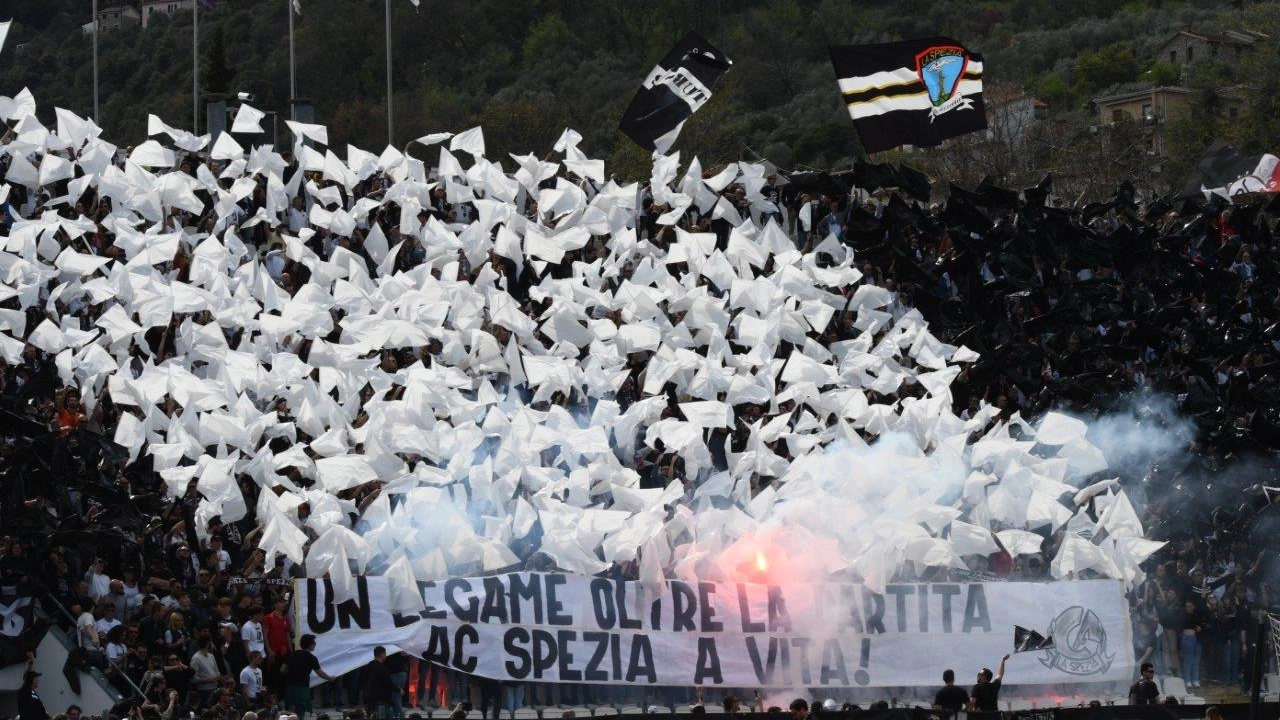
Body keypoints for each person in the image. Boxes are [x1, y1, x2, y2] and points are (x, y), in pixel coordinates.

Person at [282, 634, 335, 720]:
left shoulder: (293, 654)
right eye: (314, 643)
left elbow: (282, 670)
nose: (315, 645)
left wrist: (292, 672)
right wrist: (330, 678)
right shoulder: (311, 658)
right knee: (300, 713)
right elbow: (320, 673)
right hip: (302, 688)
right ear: (310, 644)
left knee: (289, 713)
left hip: (290, 688)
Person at [364, 646, 394, 719]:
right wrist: (399, 690)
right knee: (381, 717)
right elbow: (388, 682)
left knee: (371, 716)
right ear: (382, 654)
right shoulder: (382, 667)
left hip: (369, 699)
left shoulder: (368, 666)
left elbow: (364, 682)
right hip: (381, 700)